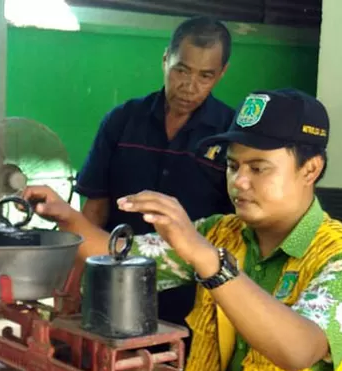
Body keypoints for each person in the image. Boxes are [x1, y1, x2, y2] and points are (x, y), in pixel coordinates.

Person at [23, 89, 342, 371]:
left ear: (311, 169)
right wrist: (64, 215)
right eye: (232, 166)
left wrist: (207, 258)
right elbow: (119, 255)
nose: (240, 182)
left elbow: (298, 350)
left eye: (259, 168)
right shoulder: (222, 233)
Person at [75, 16, 236, 335]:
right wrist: (76, 282)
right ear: (165, 59)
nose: (190, 87)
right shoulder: (122, 122)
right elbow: (94, 208)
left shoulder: (230, 136)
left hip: (194, 300)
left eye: (205, 76)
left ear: (221, 74)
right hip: (114, 287)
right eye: (181, 70)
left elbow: (234, 229)